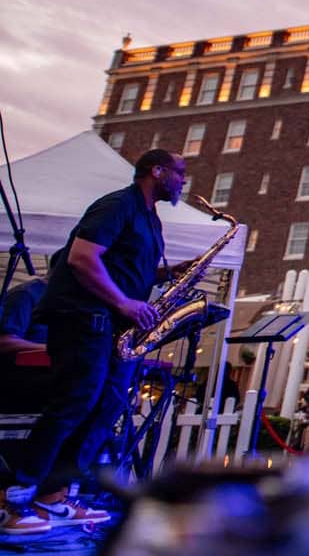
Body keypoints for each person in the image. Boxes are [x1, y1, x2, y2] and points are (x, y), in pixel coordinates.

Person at [2, 149, 186, 536]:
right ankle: (10, 496)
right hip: (86, 319)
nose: (183, 181)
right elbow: (83, 257)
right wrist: (123, 302)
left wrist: (174, 273)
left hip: (113, 327)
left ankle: (52, 495)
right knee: (75, 402)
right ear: (157, 171)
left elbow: (127, 269)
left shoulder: (149, 218)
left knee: (107, 406)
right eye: (179, 172)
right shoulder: (118, 204)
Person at [0, 271, 53, 415]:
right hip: (24, 379)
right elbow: (4, 342)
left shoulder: (69, 300)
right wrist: (52, 348)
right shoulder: (25, 295)